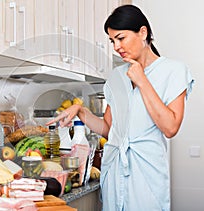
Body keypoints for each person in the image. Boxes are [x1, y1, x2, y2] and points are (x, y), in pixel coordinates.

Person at [46, 4, 194, 211]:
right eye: (112, 40)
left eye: (121, 38)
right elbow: (109, 129)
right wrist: (81, 111)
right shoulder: (116, 76)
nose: (116, 47)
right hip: (114, 170)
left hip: (147, 175)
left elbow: (170, 127)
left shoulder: (174, 71)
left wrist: (142, 81)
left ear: (143, 32)